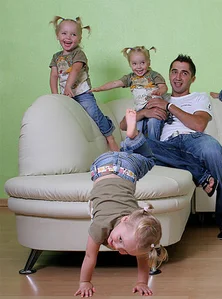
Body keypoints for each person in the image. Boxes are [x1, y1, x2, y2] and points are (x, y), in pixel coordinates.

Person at [139, 54, 222, 240]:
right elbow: (126, 125)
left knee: (214, 150)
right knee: (135, 144)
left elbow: (198, 125)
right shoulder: (157, 97)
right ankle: (200, 174)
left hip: (192, 139)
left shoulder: (199, 98)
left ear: (192, 78)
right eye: (174, 72)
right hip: (165, 147)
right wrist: (146, 111)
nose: (178, 77)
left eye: (184, 73)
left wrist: (169, 106)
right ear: (169, 74)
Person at [75, 109, 168, 297]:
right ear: (125, 219)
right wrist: (85, 282)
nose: (116, 246)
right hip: (100, 167)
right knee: (150, 161)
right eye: (120, 240)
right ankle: (132, 138)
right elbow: (90, 256)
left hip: (115, 166)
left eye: (124, 250)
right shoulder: (100, 226)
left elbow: (142, 257)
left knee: (145, 158)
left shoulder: (135, 220)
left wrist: (142, 282)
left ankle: (131, 140)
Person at [49, 16, 119, 151]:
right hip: (66, 95)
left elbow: (75, 70)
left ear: (79, 38)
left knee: (94, 113)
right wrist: (55, 95)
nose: (68, 37)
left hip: (82, 93)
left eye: (73, 34)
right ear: (58, 35)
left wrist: (68, 86)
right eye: (64, 33)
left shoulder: (79, 54)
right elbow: (53, 76)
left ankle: (110, 137)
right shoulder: (56, 57)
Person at [92, 46, 168, 140]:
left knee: (153, 122)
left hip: (154, 107)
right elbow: (115, 83)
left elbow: (163, 86)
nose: (139, 67)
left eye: (142, 63)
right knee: (137, 128)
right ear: (130, 64)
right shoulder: (130, 78)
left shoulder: (153, 75)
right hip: (140, 110)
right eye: (134, 64)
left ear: (149, 62)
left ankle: (154, 146)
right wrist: (100, 88)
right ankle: (139, 148)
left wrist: (160, 90)